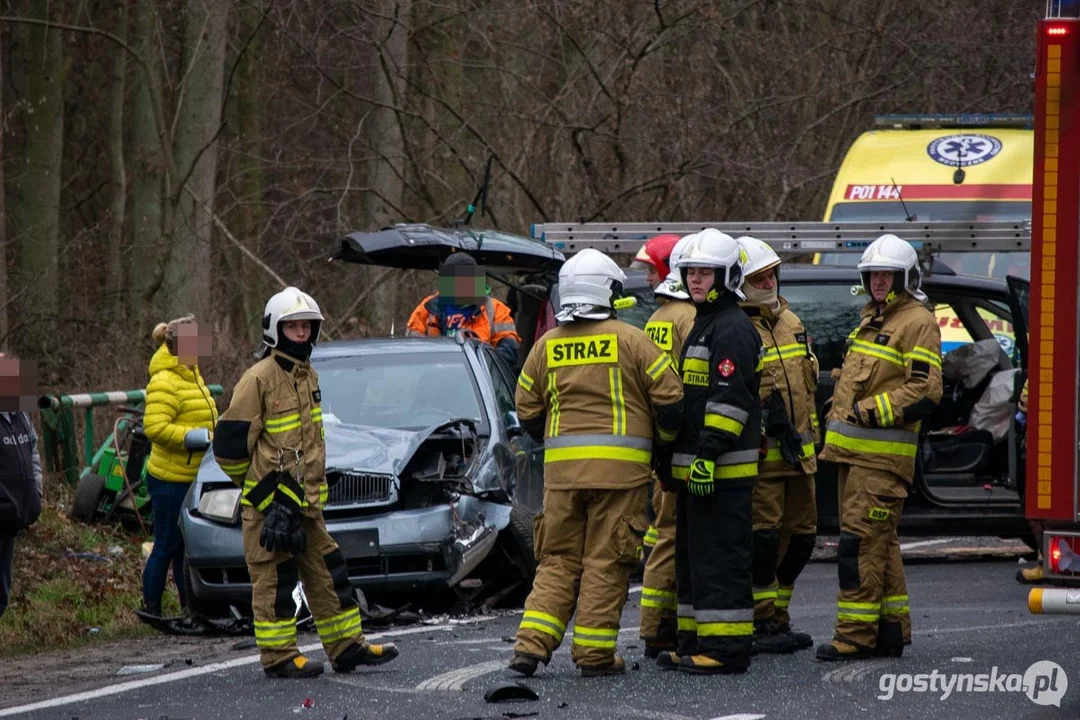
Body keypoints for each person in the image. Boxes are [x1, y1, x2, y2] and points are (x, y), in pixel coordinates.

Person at [508, 249, 683, 678]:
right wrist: (661, 449)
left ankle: (529, 649)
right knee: (606, 563)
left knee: (558, 561)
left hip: (562, 480)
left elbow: (526, 410)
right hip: (621, 479)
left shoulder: (545, 346)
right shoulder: (632, 340)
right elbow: (672, 402)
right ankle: (594, 655)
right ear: (608, 292)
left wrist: (558, 447)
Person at [213, 287, 399, 678]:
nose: (300, 333)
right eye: (292, 326)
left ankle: (347, 647)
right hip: (270, 509)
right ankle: (279, 657)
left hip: (305, 504)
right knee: (275, 581)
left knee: (329, 571)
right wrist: (265, 498)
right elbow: (229, 449)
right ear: (275, 331)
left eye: (306, 326)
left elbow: (308, 443)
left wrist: (304, 498)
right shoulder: (258, 379)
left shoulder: (307, 375)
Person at [816, 234, 943, 661]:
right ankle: (889, 631)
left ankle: (854, 637)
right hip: (854, 458)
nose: (880, 282)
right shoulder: (873, 319)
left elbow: (926, 390)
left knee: (860, 546)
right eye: (874, 274)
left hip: (881, 461)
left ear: (906, 278)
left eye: (888, 275)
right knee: (880, 545)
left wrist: (872, 410)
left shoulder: (916, 322)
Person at [667, 229, 763, 675]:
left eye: (706, 272)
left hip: (721, 471)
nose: (697, 280)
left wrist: (708, 454)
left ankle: (725, 651)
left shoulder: (732, 329)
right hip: (698, 471)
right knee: (693, 562)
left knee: (720, 560)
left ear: (727, 276)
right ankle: (693, 641)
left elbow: (729, 402)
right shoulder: (704, 322)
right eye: (691, 272)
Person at [734, 236, 819, 655]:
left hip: (800, 457)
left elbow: (806, 388)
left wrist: (812, 445)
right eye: (757, 276)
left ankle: (778, 617)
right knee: (763, 540)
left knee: (802, 538)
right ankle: (761, 620)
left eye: (771, 273)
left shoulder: (792, 321)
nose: (768, 281)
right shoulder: (737, 327)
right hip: (763, 458)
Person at [639, 234, 696, 658]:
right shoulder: (687, 316)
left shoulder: (659, 315)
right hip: (684, 439)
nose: (645, 276)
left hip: (664, 440)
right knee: (674, 534)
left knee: (665, 532)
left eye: (647, 268)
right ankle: (660, 628)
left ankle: (659, 625)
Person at [140, 316, 218, 618]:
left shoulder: (192, 374)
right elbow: (155, 428)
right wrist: (191, 438)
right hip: (170, 478)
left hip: (195, 475)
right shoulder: (164, 380)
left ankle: (190, 607)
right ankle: (153, 608)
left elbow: (204, 416)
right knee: (167, 545)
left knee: (185, 547)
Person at [406, 252, 521, 366]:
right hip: (435, 376)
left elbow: (509, 351)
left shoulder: (496, 309)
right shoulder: (428, 307)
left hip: (480, 379)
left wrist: (482, 363)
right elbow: (411, 349)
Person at [0, 352, 42, 619]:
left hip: (14, 517)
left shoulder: (20, 414)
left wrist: (36, 489)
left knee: (2, 592)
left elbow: (33, 451)